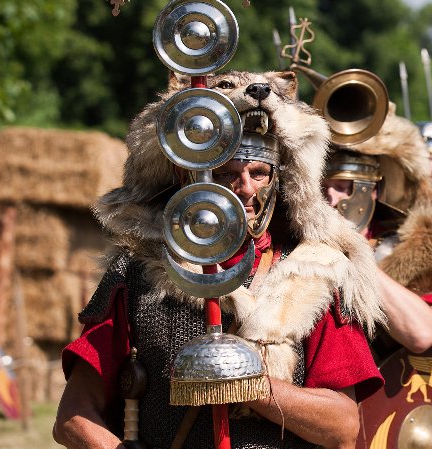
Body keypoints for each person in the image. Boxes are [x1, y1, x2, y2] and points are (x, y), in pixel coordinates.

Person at [54, 71, 385, 449]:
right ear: (191, 175)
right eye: (228, 174)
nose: (245, 187)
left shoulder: (316, 272)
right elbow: (72, 418)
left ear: (278, 178)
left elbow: (342, 427)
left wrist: (249, 386)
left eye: (259, 172)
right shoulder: (138, 270)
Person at [321, 104, 432, 383]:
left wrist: (352, 251)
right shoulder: (294, 240)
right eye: (322, 187)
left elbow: (420, 333)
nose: (331, 200)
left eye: (344, 186)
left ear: (374, 190)